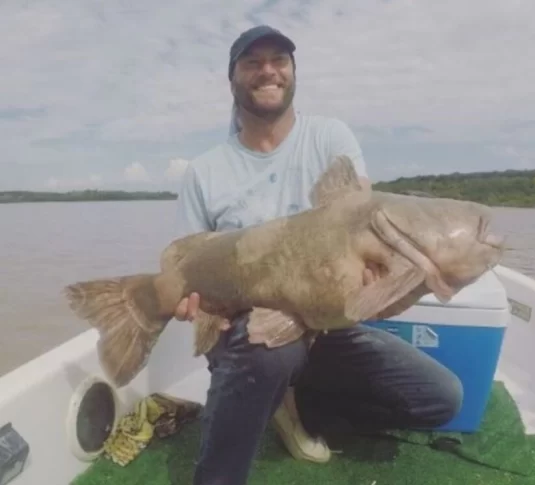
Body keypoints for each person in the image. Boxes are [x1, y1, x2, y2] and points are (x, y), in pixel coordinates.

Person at [173, 24, 464, 485]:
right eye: (252, 62)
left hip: (326, 325)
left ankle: (297, 405)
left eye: (279, 60)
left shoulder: (331, 138)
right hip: (247, 332)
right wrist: (189, 302)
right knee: (267, 355)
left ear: (292, 72)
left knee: (440, 397)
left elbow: (364, 220)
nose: (268, 70)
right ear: (232, 79)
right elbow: (189, 262)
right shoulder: (203, 173)